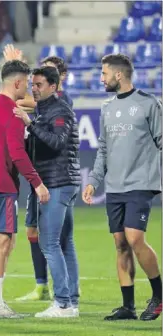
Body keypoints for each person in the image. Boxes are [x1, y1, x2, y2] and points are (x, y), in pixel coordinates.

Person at [83, 54, 162, 321]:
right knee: (120, 245)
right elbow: (103, 149)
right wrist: (93, 181)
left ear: (119, 75)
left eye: (104, 74)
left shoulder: (148, 104)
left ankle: (158, 297)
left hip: (141, 182)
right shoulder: (106, 108)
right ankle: (128, 306)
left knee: (135, 238)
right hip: (114, 186)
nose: (101, 79)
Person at [0, 60, 49, 318]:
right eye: (27, 83)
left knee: (7, 241)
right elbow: (18, 153)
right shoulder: (12, 112)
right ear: (17, 83)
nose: (29, 88)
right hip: (2, 184)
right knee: (1, 241)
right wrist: (37, 183)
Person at [14, 66, 81, 318]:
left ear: (53, 87)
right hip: (61, 181)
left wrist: (29, 124)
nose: (34, 88)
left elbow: (56, 142)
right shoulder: (45, 110)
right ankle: (71, 301)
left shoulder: (60, 110)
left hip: (57, 183)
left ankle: (62, 303)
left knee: (49, 242)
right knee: (65, 243)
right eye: (33, 84)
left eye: (39, 84)